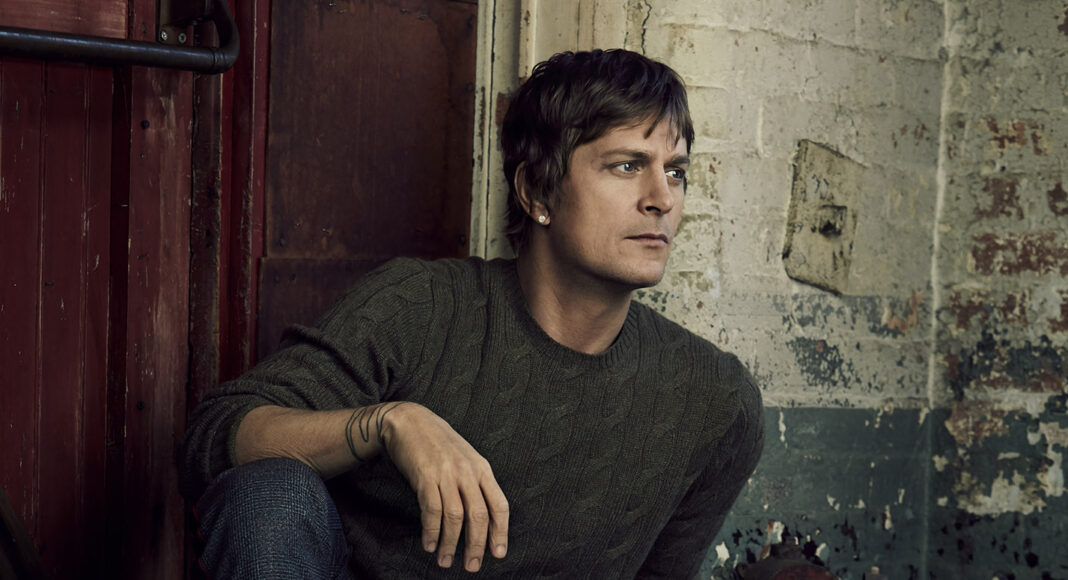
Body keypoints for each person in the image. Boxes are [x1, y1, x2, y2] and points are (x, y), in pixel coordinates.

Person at [180, 48, 764, 579]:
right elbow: (215, 436)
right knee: (269, 493)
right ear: (537, 191)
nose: (662, 198)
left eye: (676, 171)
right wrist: (391, 424)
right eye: (627, 166)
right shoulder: (422, 308)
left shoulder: (715, 400)